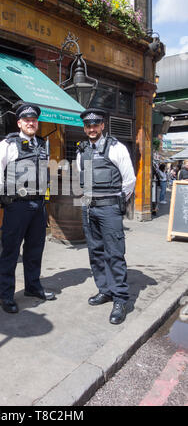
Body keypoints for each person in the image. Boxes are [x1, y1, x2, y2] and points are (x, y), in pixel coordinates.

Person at [0, 102, 55, 314]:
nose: (31, 123)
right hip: (17, 205)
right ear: (19, 123)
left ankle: (33, 287)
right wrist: (4, 196)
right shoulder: (9, 143)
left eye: (34, 120)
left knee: (35, 249)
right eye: (26, 120)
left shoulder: (42, 144)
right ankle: (6, 296)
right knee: (11, 251)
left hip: (38, 205)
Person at [77, 108, 136, 324]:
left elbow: (129, 181)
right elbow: (85, 180)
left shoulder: (116, 148)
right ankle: (105, 290)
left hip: (109, 208)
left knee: (115, 253)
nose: (91, 128)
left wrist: (116, 203)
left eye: (95, 124)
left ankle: (120, 298)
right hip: (89, 207)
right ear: (85, 128)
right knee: (96, 252)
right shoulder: (82, 150)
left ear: (103, 125)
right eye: (88, 125)